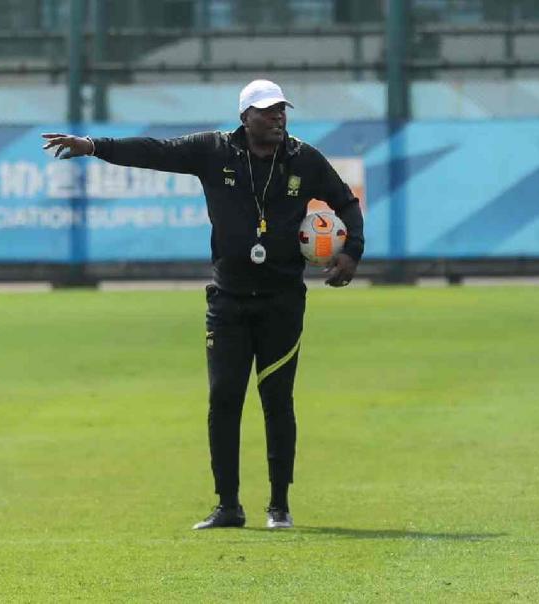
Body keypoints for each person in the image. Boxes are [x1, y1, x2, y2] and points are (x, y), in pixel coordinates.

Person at [42, 79, 364, 530]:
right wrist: (93, 146)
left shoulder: (304, 159)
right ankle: (228, 506)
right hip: (228, 302)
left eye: (281, 109)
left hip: (282, 302)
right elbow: (154, 152)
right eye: (267, 110)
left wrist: (352, 253)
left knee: (277, 401)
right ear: (245, 116)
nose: (278, 117)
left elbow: (346, 202)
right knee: (224, 399)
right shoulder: (214, 151)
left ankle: (279, 506)